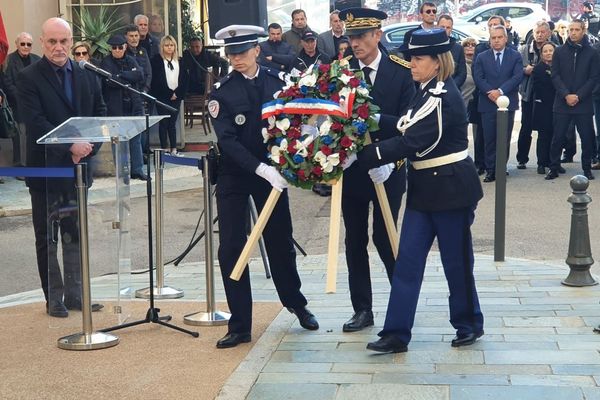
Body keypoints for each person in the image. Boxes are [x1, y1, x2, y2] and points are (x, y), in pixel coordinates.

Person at [358, 28, 484, 353]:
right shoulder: (425, 90)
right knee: (407, 263)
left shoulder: (443, 96)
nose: (411, 63)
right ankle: (396, 333)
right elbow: (404, 122)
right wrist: (364, 118)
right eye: (411, 57)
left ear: (437, 62)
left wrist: (362, 155)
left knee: (456, 263)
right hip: (425, 191)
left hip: (452, 190)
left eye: (418, 59)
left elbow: (412, 141)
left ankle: (468, 323)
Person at [208, 25, 319, 349]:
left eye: (242, 53)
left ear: (257, 50)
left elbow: (292, 121)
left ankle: (296, 303)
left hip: (274, 172)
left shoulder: (276, 80)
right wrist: (260, 169)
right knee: (231, 247)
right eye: (231, 55)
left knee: (280, 240)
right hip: (236, 174)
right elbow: (227, 141)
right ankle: (240, 323)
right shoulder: (222, 92)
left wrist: (292, 156)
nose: (237, 59)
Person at [16, 17, 106, 317]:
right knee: (47, 236)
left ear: (72, 41)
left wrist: (90, 147)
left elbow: (99, 114)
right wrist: (70, 146)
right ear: (42, 42)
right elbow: (35, 121)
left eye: (64, 41)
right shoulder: (29, 77)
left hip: (77, 172)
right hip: (44, 171)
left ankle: (76, 293)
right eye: (52, 41)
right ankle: (53, 297)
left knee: (74, 234)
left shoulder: (87, 75)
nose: (58, 47)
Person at [338, 8, 415, 333]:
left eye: (361, 36)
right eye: (351, 36)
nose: (354, 43)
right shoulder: (340, 71)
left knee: (386, 238)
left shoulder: (401, 71)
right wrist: (336, 152)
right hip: (354, 172)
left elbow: (408, 125)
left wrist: (389, 161)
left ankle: (401, 306)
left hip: (388, 171)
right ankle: (363, 309)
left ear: (377, 36)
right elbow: (331, 116)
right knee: (354, 240)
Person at [546, 19, 599, 181]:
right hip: (562, 102)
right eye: (571, 30)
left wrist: (578, 96)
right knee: (558, 137)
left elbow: (594, 77)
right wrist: (566, 95)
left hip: (583, 103)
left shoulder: (592, 53)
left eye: (577, 30)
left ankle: (586, 169)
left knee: (586, 138)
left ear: (583, 31)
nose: (573, 33)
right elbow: (555, 75)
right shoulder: (560, 51)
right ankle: (553, 168)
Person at [473, 24, 523, 183]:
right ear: (489, 39)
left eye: (499, 37)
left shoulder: (515, 56)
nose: (496, 41)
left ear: (506, 38)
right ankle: (490, 170)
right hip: (487, 102)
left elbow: (517, 77)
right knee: (489, 138)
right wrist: (490, 92)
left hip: (508, 102)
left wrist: (500, 91)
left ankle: (501, 168)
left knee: (504, 137)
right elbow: (478, 77)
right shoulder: (482, 57)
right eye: (493, 38)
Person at [100, 34, 147, 181]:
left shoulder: (130, 59)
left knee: (136, 140)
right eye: (114, 48)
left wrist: (121, 75)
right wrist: (127, 76)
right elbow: (110, 81)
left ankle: (137, 170)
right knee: (117, 142)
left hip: (134, 106)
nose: (117, 50)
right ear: (111, 49)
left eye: (120, 47)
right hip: (116, 109)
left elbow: (139, 75)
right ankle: (121, 171)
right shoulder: (106, 62)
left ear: (125, 47)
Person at [516, 21, 552, 170]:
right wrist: (525, 69)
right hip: (528, 94)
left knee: (546, 128)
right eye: (537, 32)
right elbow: (516, 68)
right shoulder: (524, 49)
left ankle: (544, 161)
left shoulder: (552, 49)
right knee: (526, 126)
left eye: (543, 32)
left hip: (546, 95)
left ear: (549, 33)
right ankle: (522, 158)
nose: (539, 35)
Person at [3, 32, 41, 170]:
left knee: (33, 135)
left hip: (35, 105)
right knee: (19, 137)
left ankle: (33, 165)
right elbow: (7, 82)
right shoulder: (8, 60)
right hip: (16, 104)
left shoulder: (37, 60)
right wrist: (21, 97)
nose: (25, 47)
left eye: (28, 44)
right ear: (17, 44)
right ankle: (20, 167)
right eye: (22, 44)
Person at [149, 35, 189, 156]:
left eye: (171, 45)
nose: (169, 48)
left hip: (176, 96)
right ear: (162, 47)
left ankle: (174, 148)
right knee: (164, 122)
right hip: (162, 96)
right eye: (167, 45)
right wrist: (169, 93)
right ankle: (164, 148)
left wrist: (177, 93)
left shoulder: (180, 61)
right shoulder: (156, 60)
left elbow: (184, 80)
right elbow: (156, 80)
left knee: (172, 123)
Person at [531, 41, 557, 175]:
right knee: (543, 136)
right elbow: (538, 88)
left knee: (556, 136)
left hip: (558, 105)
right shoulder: (538, 69)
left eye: (550, 50)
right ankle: (541, 163)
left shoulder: (559, 67)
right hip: (543, 106)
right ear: (541, 54)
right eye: (545, 51)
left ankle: (553, 162)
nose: (548, 53)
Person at [437, 15, 467, 89]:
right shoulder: (429, 46)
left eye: (448, 27)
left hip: (452, 89)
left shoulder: (458, 48)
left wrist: (451, 87)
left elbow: (462, 73)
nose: (445, 30)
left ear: (451, 29)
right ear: (437, 27)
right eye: (442, 27)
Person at [461, 37, 478, 108]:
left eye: (473, 45)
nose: (470, 47)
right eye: (466, 45)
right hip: (462, 102)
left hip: (476, 103)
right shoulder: (460, 65)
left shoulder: (479, 64)